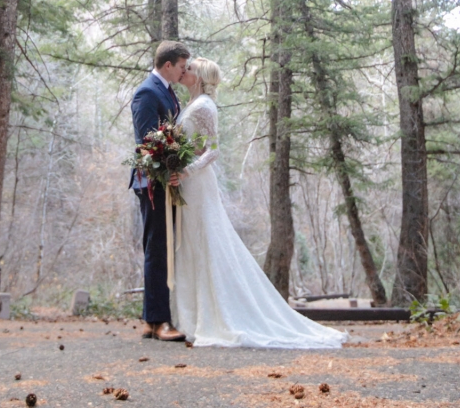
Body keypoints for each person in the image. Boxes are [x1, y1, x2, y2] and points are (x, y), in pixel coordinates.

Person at [171, 57, 346, 350]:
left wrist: (186, 170)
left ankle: (218, 316)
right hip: (186, 184)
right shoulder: (191, 104)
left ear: (199, 77)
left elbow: (213, 151)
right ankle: (192, 316)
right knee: (190, 245)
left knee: (205, 243)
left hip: (198, 183)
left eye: (189, 69)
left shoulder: (204, 107)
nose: (184, 71)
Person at [130, 40, 190, 341]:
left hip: (167, 180)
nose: (184, 72)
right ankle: (159, 320)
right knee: (158, 249)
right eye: (181, 67)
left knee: (162, 248)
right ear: (168, 65)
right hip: (153, 182)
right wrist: (168, 167)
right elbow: (146, 141)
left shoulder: (167, 92)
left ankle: (153, 321)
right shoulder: (147, 92)